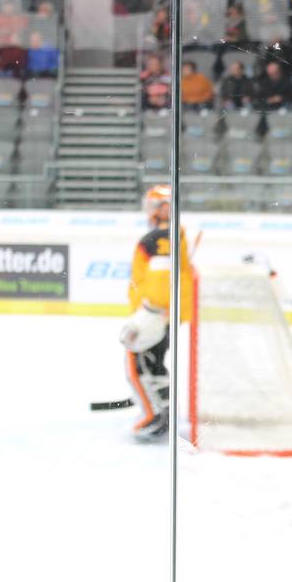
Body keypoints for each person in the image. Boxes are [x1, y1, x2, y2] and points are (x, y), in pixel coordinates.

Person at [120, 184, 193, 441]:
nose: (149, 210)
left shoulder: (162, 236)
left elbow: (163, 276)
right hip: (163, 311)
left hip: (158, 311)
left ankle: (156, 415)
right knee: (152, 360)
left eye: (154, 205)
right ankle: (162, 410)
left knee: (138, 360)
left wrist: (154, 310)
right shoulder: (168, 234)